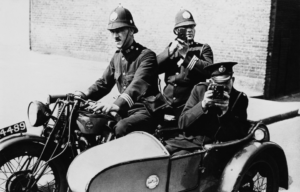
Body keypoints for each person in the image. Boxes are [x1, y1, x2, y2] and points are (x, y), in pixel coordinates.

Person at [75, 6, 160, 138]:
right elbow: (103, 83)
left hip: (144, 111)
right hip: (124, 110)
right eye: (113, 31)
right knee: (91, 121)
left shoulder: (146, 56)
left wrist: (116, 105)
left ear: (131, 31)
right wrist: (83, 94)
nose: (115, 36)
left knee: (122, 128)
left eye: (119, 30)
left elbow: (137, 85)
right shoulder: (117, 57)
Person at [165, 62, 250, 155]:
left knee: (180, 160)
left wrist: (225, 113)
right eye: (218, 84)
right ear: (211, 82)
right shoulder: (200, 90)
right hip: (188, 142)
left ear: (232, 80)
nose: (223, 87)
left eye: (226, 82)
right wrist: (202, 105)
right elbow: (182, 123)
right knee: (160, 154)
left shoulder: (239, 98)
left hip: (215, 147)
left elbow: (239, 133)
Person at [157, 9, 214, 119]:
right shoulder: (171, 49)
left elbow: (209, 71)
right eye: (185, 28)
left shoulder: (202, 49)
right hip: (166, 105)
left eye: (192, 27)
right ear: (177, 31)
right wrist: (168, 52)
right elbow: (153, 69)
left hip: (189, 106)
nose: (189, 30)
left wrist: (186, 56)